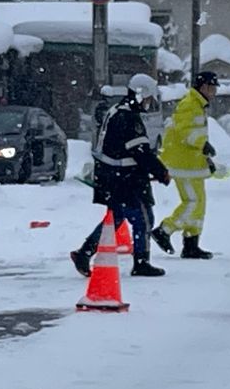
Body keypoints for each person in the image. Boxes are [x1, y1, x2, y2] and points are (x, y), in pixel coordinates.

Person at [71, 73, 170, 278]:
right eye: (149, 98)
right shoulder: (129, 117)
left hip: (112, 177)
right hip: (126, 180)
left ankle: (84, 253)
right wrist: (161, 172)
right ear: (142, 95)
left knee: (115, 218)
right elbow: (141, 152)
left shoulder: (116, 111)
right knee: (144, 219)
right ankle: (141, 263)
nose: (149, 104)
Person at [152, 70, 219, 259]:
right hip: (183, 164)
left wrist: (206, 160)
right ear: (203, 87)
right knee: (193, 202)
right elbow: (186, 132)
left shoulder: (198, 104)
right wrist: (203, 144)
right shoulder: (190, 104)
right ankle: (164, 230)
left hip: (193, 164)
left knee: (199, 204)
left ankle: (191, 244)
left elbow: (194, 135)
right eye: (212, 88)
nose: (214, 92)